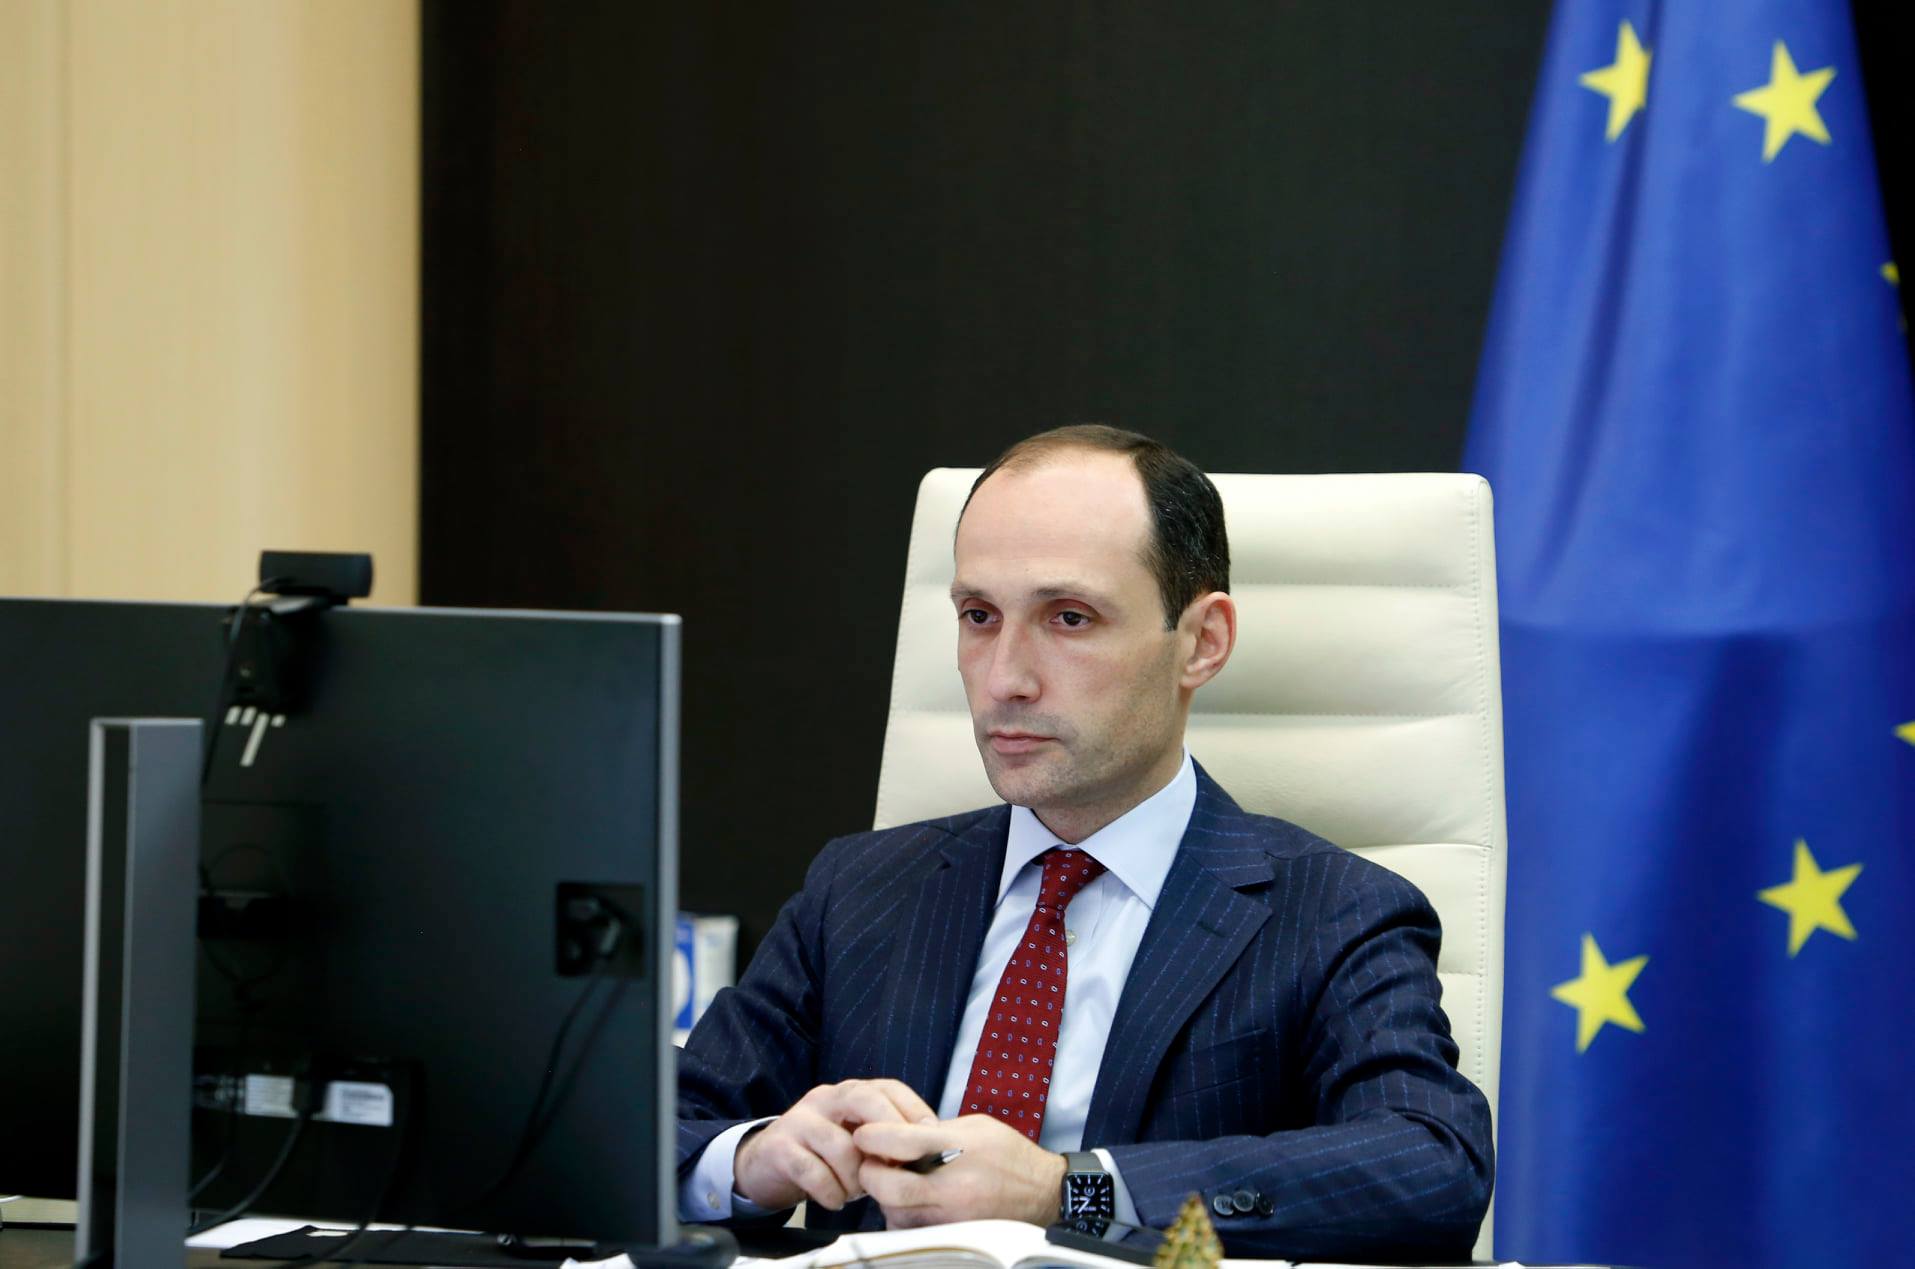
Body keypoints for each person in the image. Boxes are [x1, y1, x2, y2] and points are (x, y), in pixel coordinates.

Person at [675, 426, 1493, 1261]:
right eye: (978, 616)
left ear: (1201, 641)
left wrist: (1064, 1189)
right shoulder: (861, 887)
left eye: (1069, 617)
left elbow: (1430, 1168)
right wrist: (751, 1159)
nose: (1004, 678)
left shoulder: (1333, 909)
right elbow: (650, 1129)